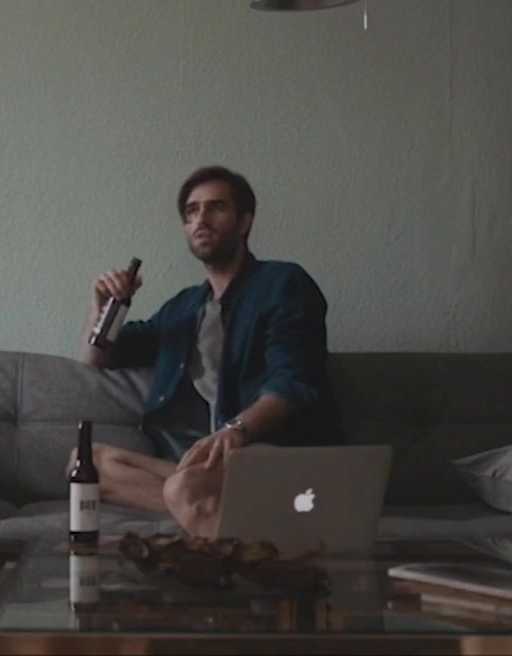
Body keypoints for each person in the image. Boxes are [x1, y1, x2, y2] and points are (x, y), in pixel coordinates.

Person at [75, 166, 343, 539]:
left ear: (244, 221)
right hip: (201, 464)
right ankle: (221, 507)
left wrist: (236, 429)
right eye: (191, 211)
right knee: (87, 464)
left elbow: (293, 380)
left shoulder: (282, 284)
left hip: (264, 450)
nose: (200, 219)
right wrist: (102, 308)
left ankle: (233, 541)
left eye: (216, 207)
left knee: (184, 487)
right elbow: (95, 359)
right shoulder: (183, 308)